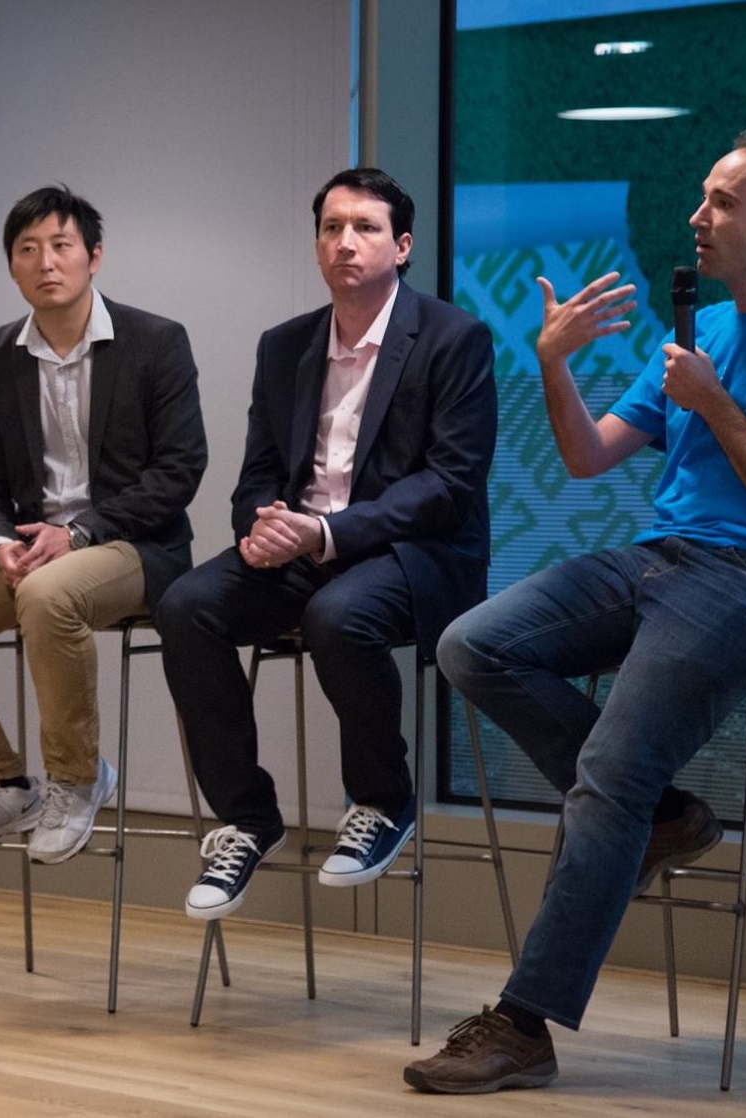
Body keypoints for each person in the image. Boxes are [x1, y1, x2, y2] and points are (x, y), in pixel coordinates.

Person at [405, 133, 746, 1094]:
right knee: (472, 643)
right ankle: (659, 818)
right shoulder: (700, 331)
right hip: (663, 557)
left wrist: (711, 406)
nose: (696, 218)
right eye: (701, 199)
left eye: (720, 202)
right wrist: (550, 361)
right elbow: (588, 456)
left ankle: (524, 1024)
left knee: (609, 769)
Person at [157, 168, 497, 919]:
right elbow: (255, 474)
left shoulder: (454, 339)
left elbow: (449, 483)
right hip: (303, 549)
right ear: (316, 245)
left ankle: (381, 802)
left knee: (338, 618)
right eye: (330, 228)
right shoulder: (284, 346)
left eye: (365, 228)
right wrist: (262, 525)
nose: (345, 242)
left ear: (402, 246)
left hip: (416, 555)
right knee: (184, 605)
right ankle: (246, 818)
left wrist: (325, 532)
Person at [0, 185, 206, 864]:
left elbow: (178, 472)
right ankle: (4, 782)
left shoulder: (155, 341)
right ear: (11, 266)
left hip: (133, 546)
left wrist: (79, 532)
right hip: (30, 550)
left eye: (60, 246)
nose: (45, 262)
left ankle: (78, 779)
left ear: (93, 256)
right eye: (27, 250)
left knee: (47, 596)